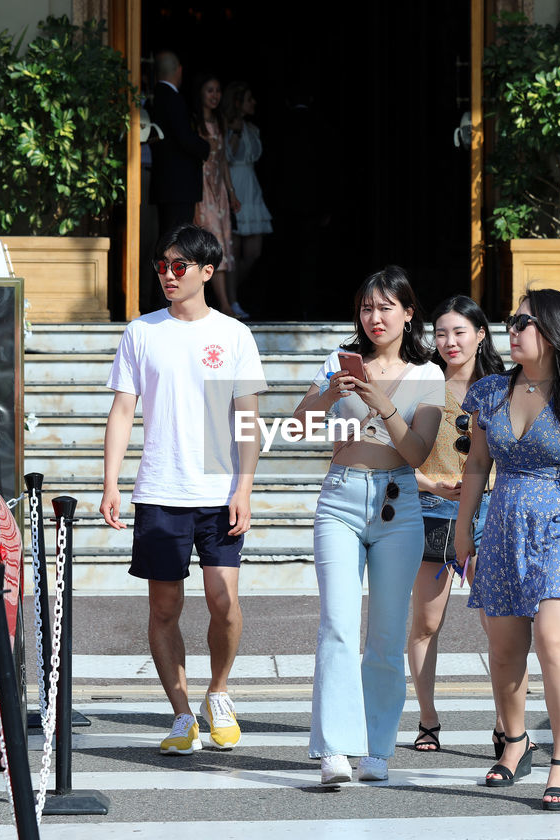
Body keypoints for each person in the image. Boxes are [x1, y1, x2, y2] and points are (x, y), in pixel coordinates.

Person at [100, 223, 267, 755]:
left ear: (207, 271)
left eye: (179, 267)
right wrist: (111, 482)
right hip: (160, 490)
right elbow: (122, 410)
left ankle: (218, 692)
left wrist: (244, 488)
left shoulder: (234, 334)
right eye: (162, 267)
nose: (168, 276)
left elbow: (248, 419)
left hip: (219, 492)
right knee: (165, 608)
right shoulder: (142, 332)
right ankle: (180, 713)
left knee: (224, 600)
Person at [454, 288, 560, 811]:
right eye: (511, 320)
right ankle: (517, 741)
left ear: (551, 331)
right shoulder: (489, 392)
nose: (512, 328)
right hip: (503, 524)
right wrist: (464, 532)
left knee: (553, 639)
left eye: (521, 321)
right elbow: (477, 466)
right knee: (504, 648)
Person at [290, 265, 444, 785]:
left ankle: (377, 747)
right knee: (336, 624)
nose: (374, 318)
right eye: (366, 307)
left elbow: (418, 451)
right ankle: (334, 748)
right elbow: (296, 426)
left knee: (384, 634)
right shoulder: (338, 362)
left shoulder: (428, 374)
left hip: (400, 506)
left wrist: (381, 402)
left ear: (407, 312)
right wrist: (330, 395)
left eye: (385, 307)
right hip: (340, 498)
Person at [405, 295, 506, 753]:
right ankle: (428, 720)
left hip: (491, 513)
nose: (449, 342)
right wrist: (428, 484)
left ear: (481, 334)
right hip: (431, 512)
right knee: (426, 622)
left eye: (459, 332)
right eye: (441, 333)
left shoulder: (503, 388)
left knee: (499, 624)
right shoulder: (421, 383)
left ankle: (508, 722)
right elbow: (391, 452)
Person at [147, 52, 210, 313]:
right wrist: (205, 147)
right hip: (177, 184)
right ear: (179, 71)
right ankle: (167, 300)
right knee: (173, 244)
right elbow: (185, 139)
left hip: (167, 182)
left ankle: (164, 298)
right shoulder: (171, 98)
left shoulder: (156, 97)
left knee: (168, 242)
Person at [222, 81, 272, 320]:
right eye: (249, 99)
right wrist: (235, 130)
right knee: (234, 249)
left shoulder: (254, 128)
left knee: (253, 252)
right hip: (234, 185)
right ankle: (231, 300)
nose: (254, 104)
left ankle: (229, 291)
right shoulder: (227, 127)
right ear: (238, 103)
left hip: (251, 186)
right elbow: (227, 156)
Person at [192, 73, 241, 317]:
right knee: (210, 243)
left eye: (217, 91)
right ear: (200, 92)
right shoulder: (195, 121)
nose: (214, 95)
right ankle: (223, 304)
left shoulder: (220, 121)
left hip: (218, 190)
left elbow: (222, 161)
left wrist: (231, 193)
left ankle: (226, 303)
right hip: (201, 188)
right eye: (209, 90)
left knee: (224, 243)